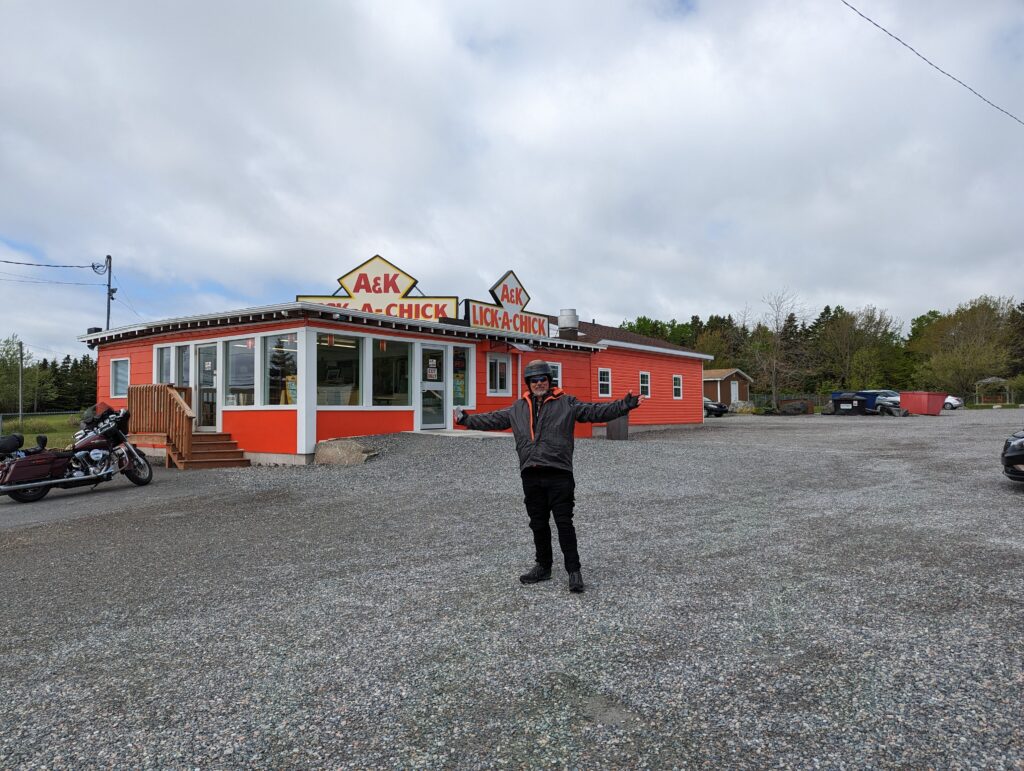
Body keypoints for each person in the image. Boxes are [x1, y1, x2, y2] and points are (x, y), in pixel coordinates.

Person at [454, 359, 643, 593]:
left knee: (564, 523)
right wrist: (466, 420)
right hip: (531, 473)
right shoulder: (518, 408)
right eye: (534, 380)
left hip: (559, 473)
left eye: (543, 379)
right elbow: (492, 419)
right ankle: (543, 567)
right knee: (538, 523)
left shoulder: (567, 404)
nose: (539, 383)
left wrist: (624, 405)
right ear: (528, 383)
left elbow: (595, 411)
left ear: (549, 381)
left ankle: (574, 571)